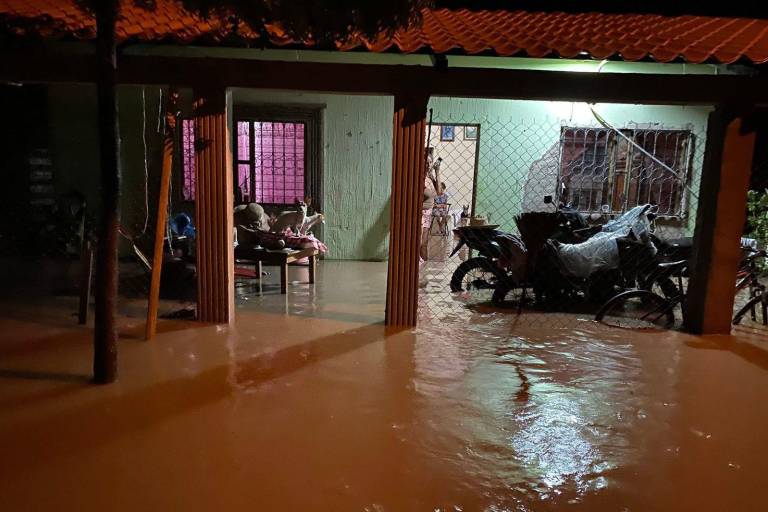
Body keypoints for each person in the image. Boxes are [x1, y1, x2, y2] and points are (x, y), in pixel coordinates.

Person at [421, 149, 443, 260]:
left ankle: (423, 266)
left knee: (424, 244)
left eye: (430, 162)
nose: (429, 165)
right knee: (421, 244)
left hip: (428, 214)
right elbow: (431, 193)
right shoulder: (419, 178)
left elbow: (439, 192)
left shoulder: (430, 177)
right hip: (420, 214)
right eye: (426, 162)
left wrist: (437, 172)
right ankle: (418, 266)